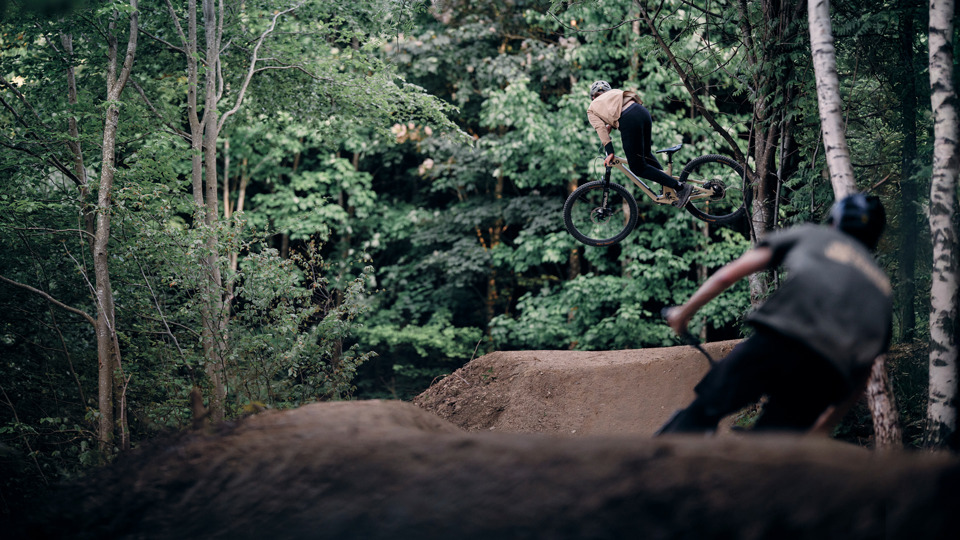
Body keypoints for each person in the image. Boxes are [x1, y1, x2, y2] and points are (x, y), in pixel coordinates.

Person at [657, 193, 892, 434]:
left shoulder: (815, 236)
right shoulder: (883, 287)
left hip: (778, 343)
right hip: (825, 375)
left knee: (703, 413)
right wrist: (825, 426)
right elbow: (864, 371)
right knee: (772, 447)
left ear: (835, 220)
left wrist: (683, 314)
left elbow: (727, 275)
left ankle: (658, 460)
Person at [586, 80, 693, 208]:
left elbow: (600, 129)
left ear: (593, 97)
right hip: (642, 112)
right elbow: (623, 108)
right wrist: (612, 125)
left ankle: (680, 187)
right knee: (646, 154)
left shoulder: (592, 108)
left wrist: (610, 152)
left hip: (629, 119)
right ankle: (668, 186)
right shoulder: (615, 93)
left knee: (638, 167)